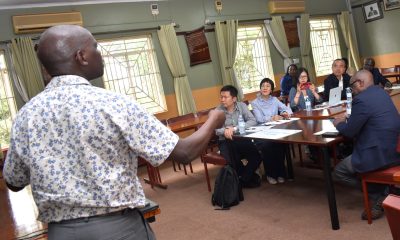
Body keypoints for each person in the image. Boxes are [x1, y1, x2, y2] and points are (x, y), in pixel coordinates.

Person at [3, 25, 225, 240]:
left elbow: (14, 181)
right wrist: (214, 118)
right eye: (96, 48)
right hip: (117, 229)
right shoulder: (114, 104)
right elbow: (184, 153)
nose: (101, 55)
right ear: (81, 56)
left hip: (60, 232)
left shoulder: (26, 115)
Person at [333, 70, 400, 221]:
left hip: (377, 153)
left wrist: (339, 123)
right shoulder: (382, 93)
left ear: (360, 83)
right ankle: (385, 190)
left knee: (339, 172)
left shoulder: (361, 99)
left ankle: (378, 195)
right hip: (394, 149)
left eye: (352, 86)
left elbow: (350, 132)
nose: (352, 90)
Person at [216, 85, 262, 188]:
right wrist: (225, 131)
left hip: (241, 139)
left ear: (234, 98)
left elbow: (252, 120)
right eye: (221, 97)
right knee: (233, 160)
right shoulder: (218, 111)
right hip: (225, 141)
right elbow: (215, 129)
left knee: (256, 157)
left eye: (225, 97)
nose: (222, 100)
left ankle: (242, 180)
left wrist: (235, 128)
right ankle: (247, 178)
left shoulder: (242, 106)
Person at [251, 78, 292, 184]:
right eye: (263, 86)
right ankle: (270, 174)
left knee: (281, 144)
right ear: (260, 88)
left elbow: (287, 109)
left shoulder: (274, 100)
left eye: (268, 86)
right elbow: (259, 119)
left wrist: (284, 112)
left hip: (276, 130)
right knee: (267, 146)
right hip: (261, 133)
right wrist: (272, 117)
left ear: (271, 89)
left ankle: (281, 173)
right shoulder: (255, 103)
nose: (265, 88)